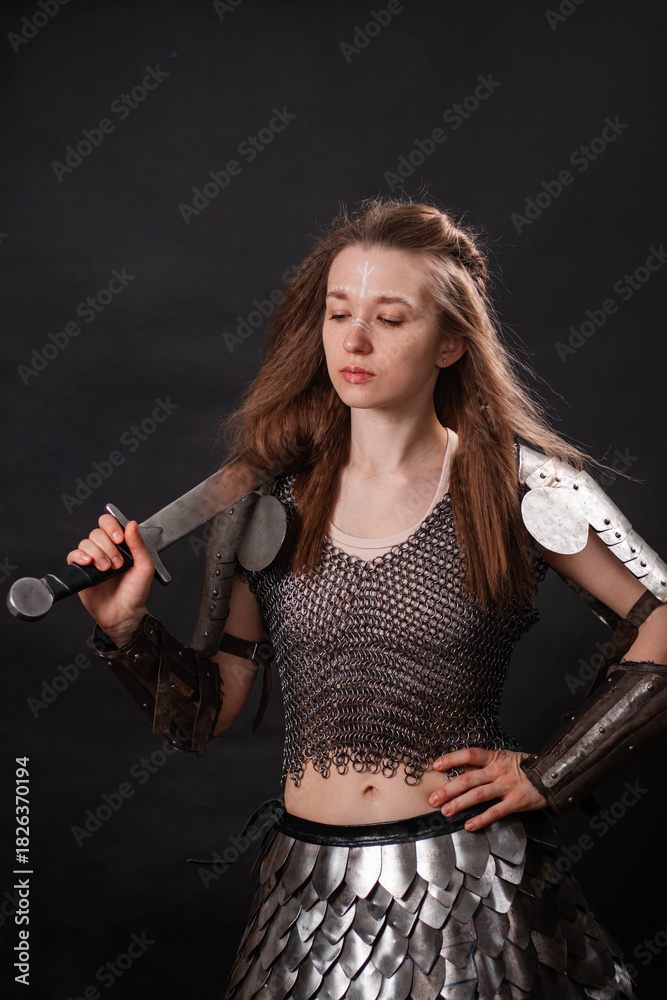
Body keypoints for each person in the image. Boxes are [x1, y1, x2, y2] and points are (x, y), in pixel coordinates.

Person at [66, 197, 667, 999]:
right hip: (304, 900)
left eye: (389, 318)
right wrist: (125, 626)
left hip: (468, 888)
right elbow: (204, 714)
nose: (353, 340)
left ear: (451, 342)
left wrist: (550, 773)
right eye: (338, 312)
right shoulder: (263, 501)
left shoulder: (520, 488)